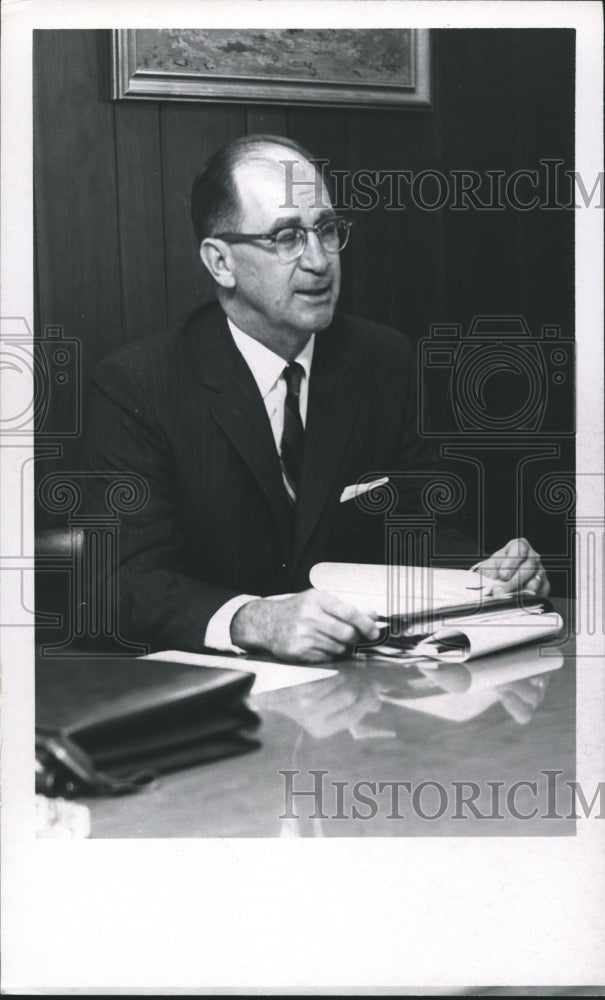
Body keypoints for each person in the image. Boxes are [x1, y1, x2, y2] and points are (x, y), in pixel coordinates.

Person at [85, 134, 549, 662]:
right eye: (286, 236)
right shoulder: (137, 385)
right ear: (220, 262)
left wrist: (486, 576)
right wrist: (253, 619)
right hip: (209, 691)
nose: (319, 261)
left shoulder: (382, 359)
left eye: (326, 230)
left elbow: (417, 526)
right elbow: (125, 580)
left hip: (360, 692)